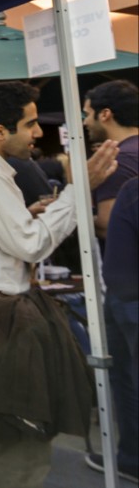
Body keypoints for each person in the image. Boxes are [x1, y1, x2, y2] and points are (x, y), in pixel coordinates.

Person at [0, 81, 118, 488]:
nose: (39, 132)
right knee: (21, 425)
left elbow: (1, 235)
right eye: (30, 123)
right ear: (1, 131)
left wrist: (31, 212)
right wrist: (77, 193)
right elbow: (30, 243)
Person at [86, 175, 138, 481]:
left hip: (130, 300)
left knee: (127, 378)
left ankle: (132, 457)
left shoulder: (130, 189)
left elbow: (118, 272)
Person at [83, 80, 138, 242]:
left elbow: (108, 226)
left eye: (87, 114)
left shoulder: (116, 160)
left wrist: (76, 219)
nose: (85, 122)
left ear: (105, 114)